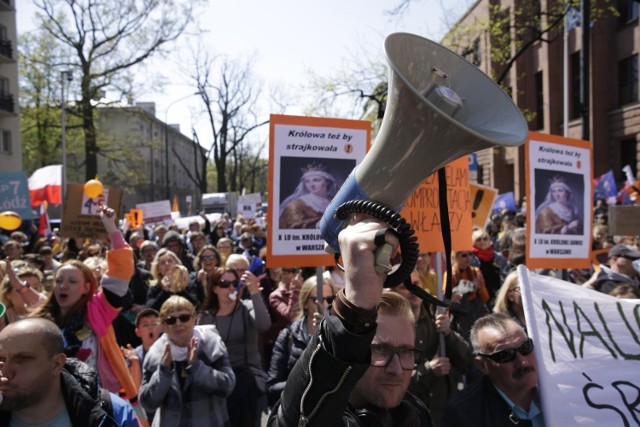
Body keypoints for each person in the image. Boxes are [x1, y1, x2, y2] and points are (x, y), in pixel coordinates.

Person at [268, 215, 433, 426]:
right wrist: (355, 306)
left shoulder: (417, 416)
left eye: (406, 352)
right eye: (380, 349)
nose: (397, 369)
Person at [0, 317, 138, 426]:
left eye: (22, 359)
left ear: (57, 364)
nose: (6, 372)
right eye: (1, 360)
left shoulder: (112, 412)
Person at [139, 296, 235, 427]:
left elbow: (228, 386)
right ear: (163, 326)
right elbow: (147, 403)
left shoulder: (211, 345)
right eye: (171, 320)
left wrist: (196, 367)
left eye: (184, 318)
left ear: (194, 319)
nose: (178, 324)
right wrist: (164, 372)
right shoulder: (155, 354)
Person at [392, 274, 473, 425]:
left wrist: (448, 335)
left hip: (445, 412)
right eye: (405, 287)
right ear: (393, 293)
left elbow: (466, 359)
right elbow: (394, 381)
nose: (413, 289)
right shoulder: (389, 327)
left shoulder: (437, 313)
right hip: (411, 416)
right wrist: (429, 370)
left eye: (416, 283)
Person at [197, 267, 271, 426]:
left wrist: (255, 292)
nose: (231, 288)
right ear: (215, 288)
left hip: (248, 381)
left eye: (235, 283)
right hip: (218, 383)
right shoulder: (206, 317)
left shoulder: (248, 306)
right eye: (224, 283)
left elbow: (264, 325)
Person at [441, 313, 544, 427]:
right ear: (482, 366)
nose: (522, 362)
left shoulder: (562, 385)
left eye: (525, 347)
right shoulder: (463, 415)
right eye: (505, 355)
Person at [266, 273, 338, 407]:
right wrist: (305, 381)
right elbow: (271, 389)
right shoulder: (288, 335)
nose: (324, 304)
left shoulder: (341, 336)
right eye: (318, 299)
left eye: (330, 299)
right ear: (305, 303)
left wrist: (329, 335)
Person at [446, 250, 490, 343]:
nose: (468, 258)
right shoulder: (450, 274)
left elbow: (485, 297)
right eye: (464, 255)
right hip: (461, 316)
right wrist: (469, 287)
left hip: (477, 311)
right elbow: (448, 298)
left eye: (470, 254)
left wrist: (479, 286)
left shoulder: (475, 271)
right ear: (455, 257)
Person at [279, 162, 338, 229]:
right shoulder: (295, 205)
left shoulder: (336, 201)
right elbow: (293, 227)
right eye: (307, 181)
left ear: (327, 182)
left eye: (316, 180)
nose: (311, 185)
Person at [471, 229, 507, 307]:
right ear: (473, 242)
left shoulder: (499, 257)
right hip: (479, 299)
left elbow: (505, 276)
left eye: (485, 238)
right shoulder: (470, 258)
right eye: (478, 239)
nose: (482, 241)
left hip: (497, 296)